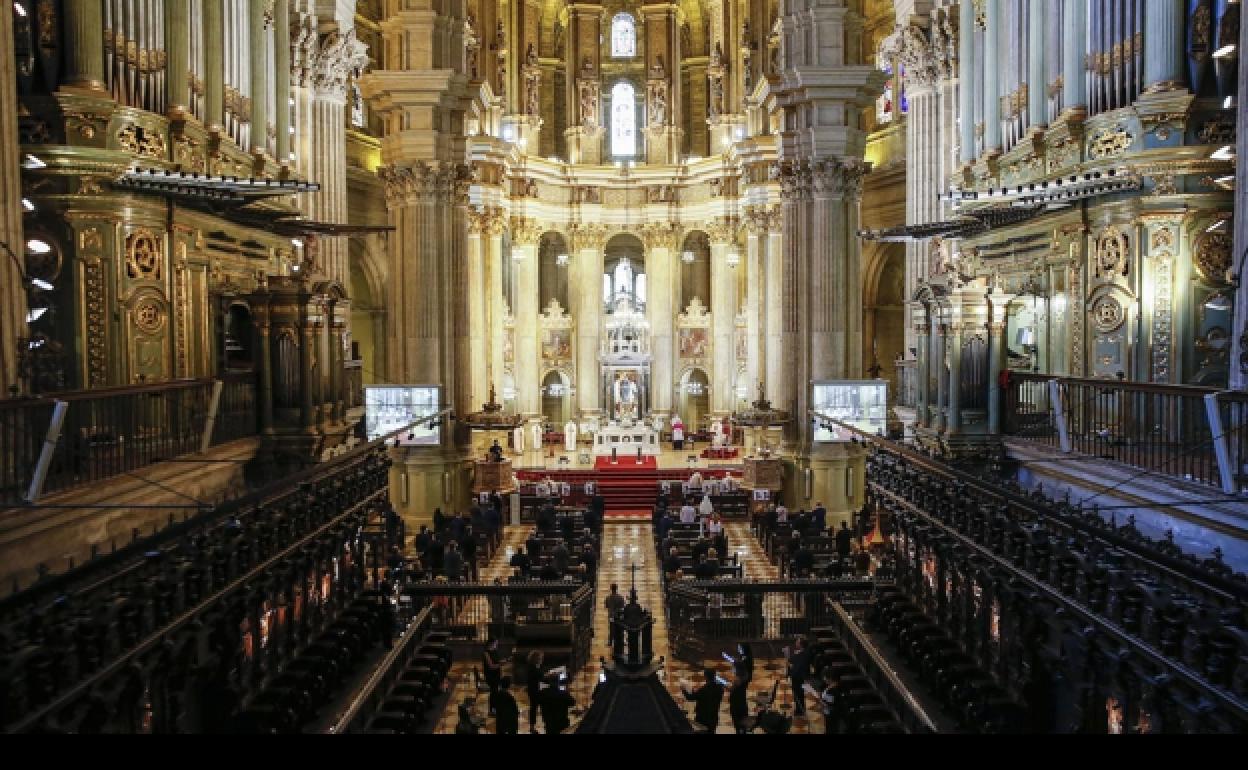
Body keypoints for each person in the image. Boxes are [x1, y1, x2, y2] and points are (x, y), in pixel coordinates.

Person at [682, 668, 725, 733]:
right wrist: (695, 692)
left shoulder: (704, 690)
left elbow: (690, 698)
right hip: (714, 716)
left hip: (702, 718)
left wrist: (683, 690)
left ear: (705, 676)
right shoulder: (720, 688)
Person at [786, 637, 812, 717]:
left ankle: (800, 711)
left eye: (797, 642)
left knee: (799, 694)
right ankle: (799, 709)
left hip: (799, 677)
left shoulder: (804, 654)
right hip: (796, 676)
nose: (796, 643)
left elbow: (798, 667)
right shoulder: (799, 652)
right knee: (796, 694)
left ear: (801, 645)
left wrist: (791, 666)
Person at [524, 651, 545, 732]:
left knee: (536, 707)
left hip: (537, 689)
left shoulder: (536, 666)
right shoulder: (532, 668)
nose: (541, 659)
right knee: (534, 708)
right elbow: (539, 677)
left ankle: (538, 725)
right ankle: (532, 727)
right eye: (540, 658)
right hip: (534, 691)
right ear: (536, 659)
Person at [729, 663, 752, 734]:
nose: (732, 670)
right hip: (743, 705)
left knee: (738, 727)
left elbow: (733, 692)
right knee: (742, 727)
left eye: (733, 668)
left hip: (736, 708)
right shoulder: (745, 678)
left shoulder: (737, 681)